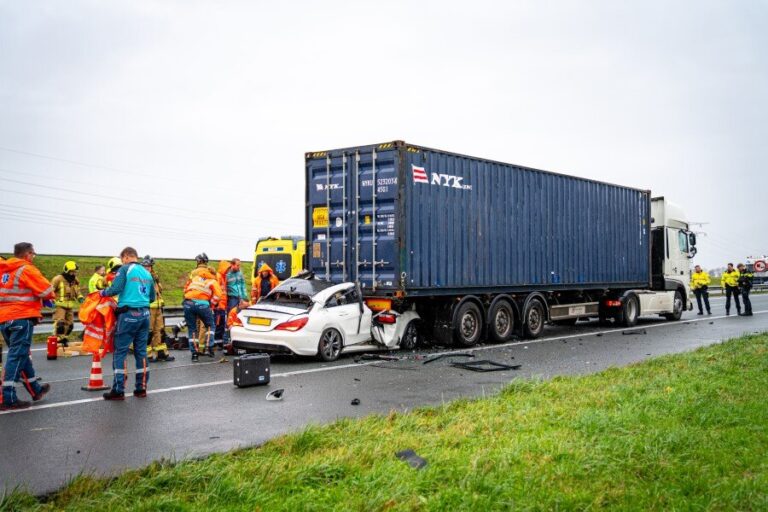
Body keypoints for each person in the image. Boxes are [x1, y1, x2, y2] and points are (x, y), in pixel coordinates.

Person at [0, 242, 54, 410]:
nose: (33, 257)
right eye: (33, 254)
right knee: (16, 357)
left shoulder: (4, 270)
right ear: (28, 254)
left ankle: (35, 390)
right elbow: (47, 290)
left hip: (4, 319)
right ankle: (7, 397)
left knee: (21, 355)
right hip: (21, 318)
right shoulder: (27, 269)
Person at [100, 247, 155, 401]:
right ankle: (141, 388)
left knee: (120, 352)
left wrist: (101, 293)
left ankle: (118, 390)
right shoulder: (147, 273)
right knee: (141, 352)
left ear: (125, 257)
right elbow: (152, 298)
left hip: (128, 314)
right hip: (144, 315)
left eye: (121, 258)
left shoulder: (125, 269)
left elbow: (115, 289)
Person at [183, 253, 221, 361]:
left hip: (188, 303)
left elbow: (186, 288)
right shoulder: (212, 278)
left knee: (192, 329)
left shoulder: (194, 275)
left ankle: (194, 354)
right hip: (203, 305)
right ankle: (209, 347)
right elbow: (218, 294)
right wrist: (212, 304)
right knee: (210, 326)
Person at [142, 255, 175, 362]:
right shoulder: (142, 277)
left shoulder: (154, 277)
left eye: (149, 266)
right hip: (149, 307)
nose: (147, 268)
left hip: (158, 307)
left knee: (160, 331)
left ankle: (161, 353)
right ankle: (148, 355)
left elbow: (160, 290)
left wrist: (157, 281)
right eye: (146, 266)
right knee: (149, 331)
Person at [49, 261, 84, 346]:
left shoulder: (75, 280)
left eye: (75, 272)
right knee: (60, 323)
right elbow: (50, 290)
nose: (74, 273)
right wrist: (50, 300)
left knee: (70, 325)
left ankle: (64, 337)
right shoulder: (58, 279)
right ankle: (59, 338)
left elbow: (77, 290)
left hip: (70, 305)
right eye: (72, 271)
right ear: (67, 271)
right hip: (59, 305)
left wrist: (80, 297)